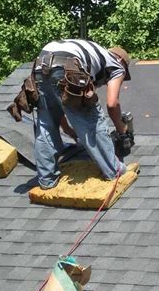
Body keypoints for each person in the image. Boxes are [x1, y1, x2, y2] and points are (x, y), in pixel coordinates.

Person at [33, 39, 131, 189]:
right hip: (68, 66)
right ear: (121, 61)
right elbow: (112, 104)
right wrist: (121, 129)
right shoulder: (116, 64)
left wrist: (68, 130)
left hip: (40, 65)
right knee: (92, 119)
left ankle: (47, 179)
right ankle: (113, 169)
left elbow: (58, 108)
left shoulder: (93, 54)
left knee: (46, 124)